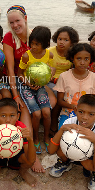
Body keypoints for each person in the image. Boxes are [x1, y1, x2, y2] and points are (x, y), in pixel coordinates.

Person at [3, 5, 48, 172]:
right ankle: (32, 157)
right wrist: (16, 96)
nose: (15, 25)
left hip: (37, 81)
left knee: (52, 101)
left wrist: (44, 80)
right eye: (11, 22)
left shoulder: (35, 35)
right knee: (26, 111)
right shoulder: (9, 38)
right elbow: (10, 69)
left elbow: (45, 60)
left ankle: (45, 137)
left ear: (25, 19)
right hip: (18, 80)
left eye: (17, 21)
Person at [47, 94, 95, 190]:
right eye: (81, 112)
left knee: (94, 168)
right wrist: (62, 129)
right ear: (75, 110)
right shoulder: (70, 122)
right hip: (70, 152)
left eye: (91, 114)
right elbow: (51, 150)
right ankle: (65, 162)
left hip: (89, 158)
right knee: (61, 150)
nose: (85, 117)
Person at [17, 26, 56, 154]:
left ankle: (46, 137)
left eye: (37, 44)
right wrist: (28, 83)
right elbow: (19, 74)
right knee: (37, 114)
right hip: (26, 87)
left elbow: (51, 69)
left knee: (46, 112)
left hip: (40, 87)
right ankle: (36, 139)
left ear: (45, 44)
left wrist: (50, 75)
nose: (33, 46)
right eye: (32, 43)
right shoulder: (26, 56)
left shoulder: (49, 55)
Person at [54, 43, 95, 129]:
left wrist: (85, 112)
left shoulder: (94, 78)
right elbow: (59, 101)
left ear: (90, 59)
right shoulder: (64, 76)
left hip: (87, 116)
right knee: (64, 135)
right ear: (72, 58)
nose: (82, 62)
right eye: (78, 58)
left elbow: (94, 102)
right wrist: (73, 107)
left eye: (86, 59)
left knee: (86, 138)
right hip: (67, 113)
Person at [47, 26, 79, 138]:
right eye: (60, 39)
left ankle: (71, 119)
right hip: (50, 81)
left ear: (71, 42)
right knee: (58, 93)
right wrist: (55, 79)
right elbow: (45, 72)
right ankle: (54, 122)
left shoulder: (72, 55)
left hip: (66, 82)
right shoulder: (49, 52)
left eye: (66, 40)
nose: (62, 42)